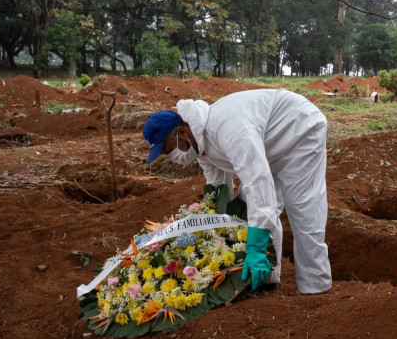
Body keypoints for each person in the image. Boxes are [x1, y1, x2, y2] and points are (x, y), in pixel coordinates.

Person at [142, 89, 332, 295]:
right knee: (249, 204)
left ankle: (315, 285)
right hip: (268, 143)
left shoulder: (229, 131)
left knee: (303, 208)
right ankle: (267, 277)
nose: (170, 157)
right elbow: (219, 190)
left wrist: (255, 248)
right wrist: (214, 234)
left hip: (299, 129)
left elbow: (257, 181)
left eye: (167, 150)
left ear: (181, 132)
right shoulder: (200, 145)